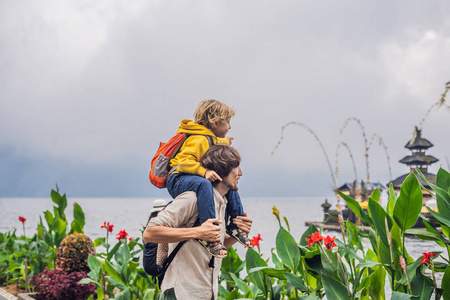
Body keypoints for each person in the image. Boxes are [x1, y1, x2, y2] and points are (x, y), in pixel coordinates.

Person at [143, 145, 253, 300]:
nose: (240, 173)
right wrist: (198, 232)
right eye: (236, 167)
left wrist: (237, 235)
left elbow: (206, 248)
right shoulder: (192, 199)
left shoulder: (223, 203)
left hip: (206, 293)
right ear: (223, 169)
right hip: (180, 293)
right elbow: (149, 233)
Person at [165, 99, 250, 258]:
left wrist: (226, 141)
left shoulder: (208, 137)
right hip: (178, 178)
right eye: (227, 122)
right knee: (204, 183)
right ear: (215, 122)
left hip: (192, 178)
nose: (229, 126)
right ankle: (209, 231)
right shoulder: (198, 139)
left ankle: (236, 225)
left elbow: (216, 141)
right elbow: (184, 161)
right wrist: (203, 172)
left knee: (228, 183)